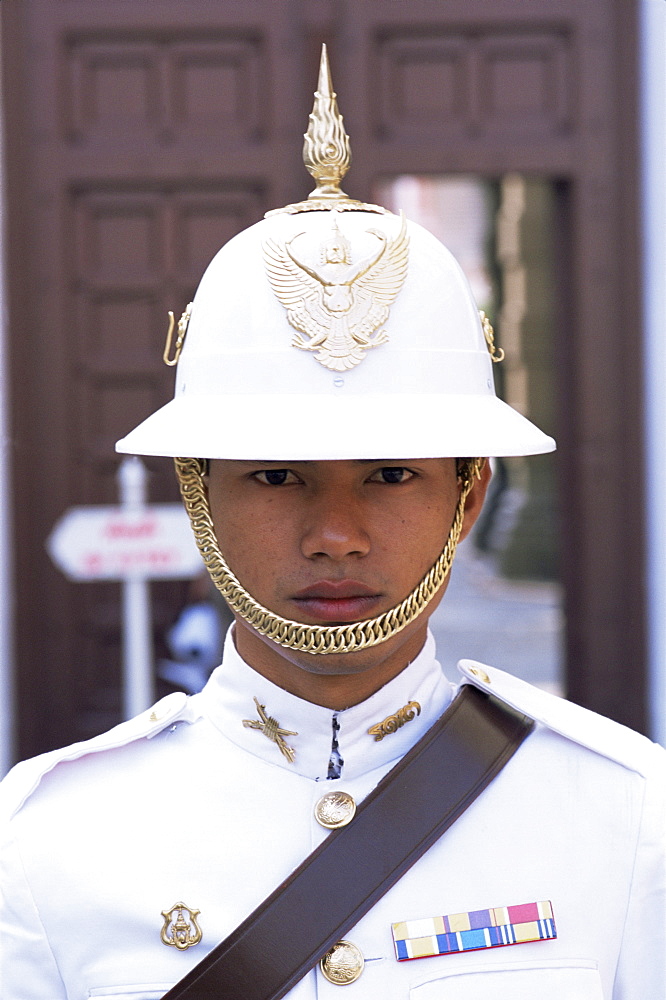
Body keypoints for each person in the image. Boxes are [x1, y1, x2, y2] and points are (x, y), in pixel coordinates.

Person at [1, 47, 664, 1000]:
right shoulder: (46, 839)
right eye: (276, 475)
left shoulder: (625, 816)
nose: (336, 535)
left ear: (469, 495)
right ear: (199, 495)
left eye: (392, 475)